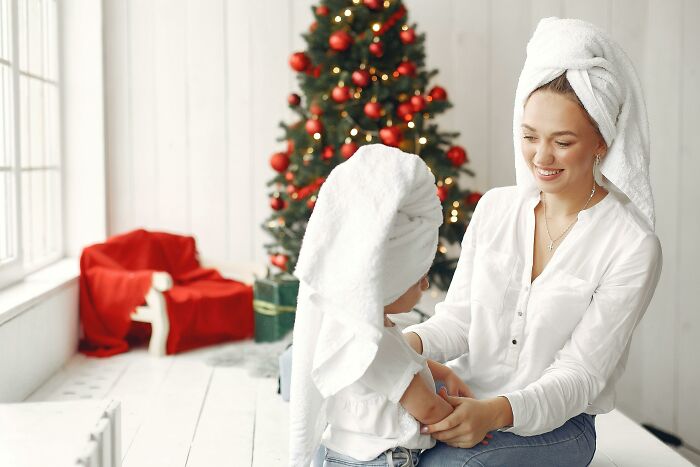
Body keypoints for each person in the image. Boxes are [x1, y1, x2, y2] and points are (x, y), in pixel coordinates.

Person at [403, 17, 663, 466]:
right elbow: (460, 322)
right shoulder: (495, 209)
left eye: (563, 142)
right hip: (465, 394)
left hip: (559, 427)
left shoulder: (631, 245)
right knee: (348, 442)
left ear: (601, 141)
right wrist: (402, 348)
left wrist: (495, 413)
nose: (541, 158)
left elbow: (581, 375)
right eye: (529, 137)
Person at [288, 144, 474, 467]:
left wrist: (441, 370)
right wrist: (459, 420)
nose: (427, 285)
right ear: (387, 278)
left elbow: (405, 362)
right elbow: (426, 408)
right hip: (383, 461)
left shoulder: (358, 327)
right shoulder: (371, 343)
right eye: (420, 277)